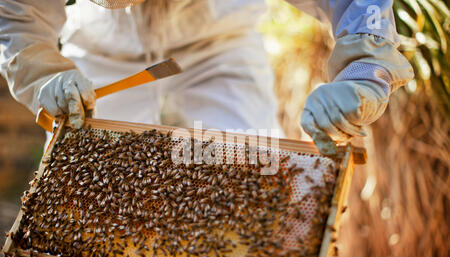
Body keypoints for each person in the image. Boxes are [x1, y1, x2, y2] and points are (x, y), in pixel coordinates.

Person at [0, 0, 413, 155]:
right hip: (99, 56)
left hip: (218, 44)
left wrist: (364, 68)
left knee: (249, 175)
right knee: (85, 206)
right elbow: (16, 16)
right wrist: (44, 76)